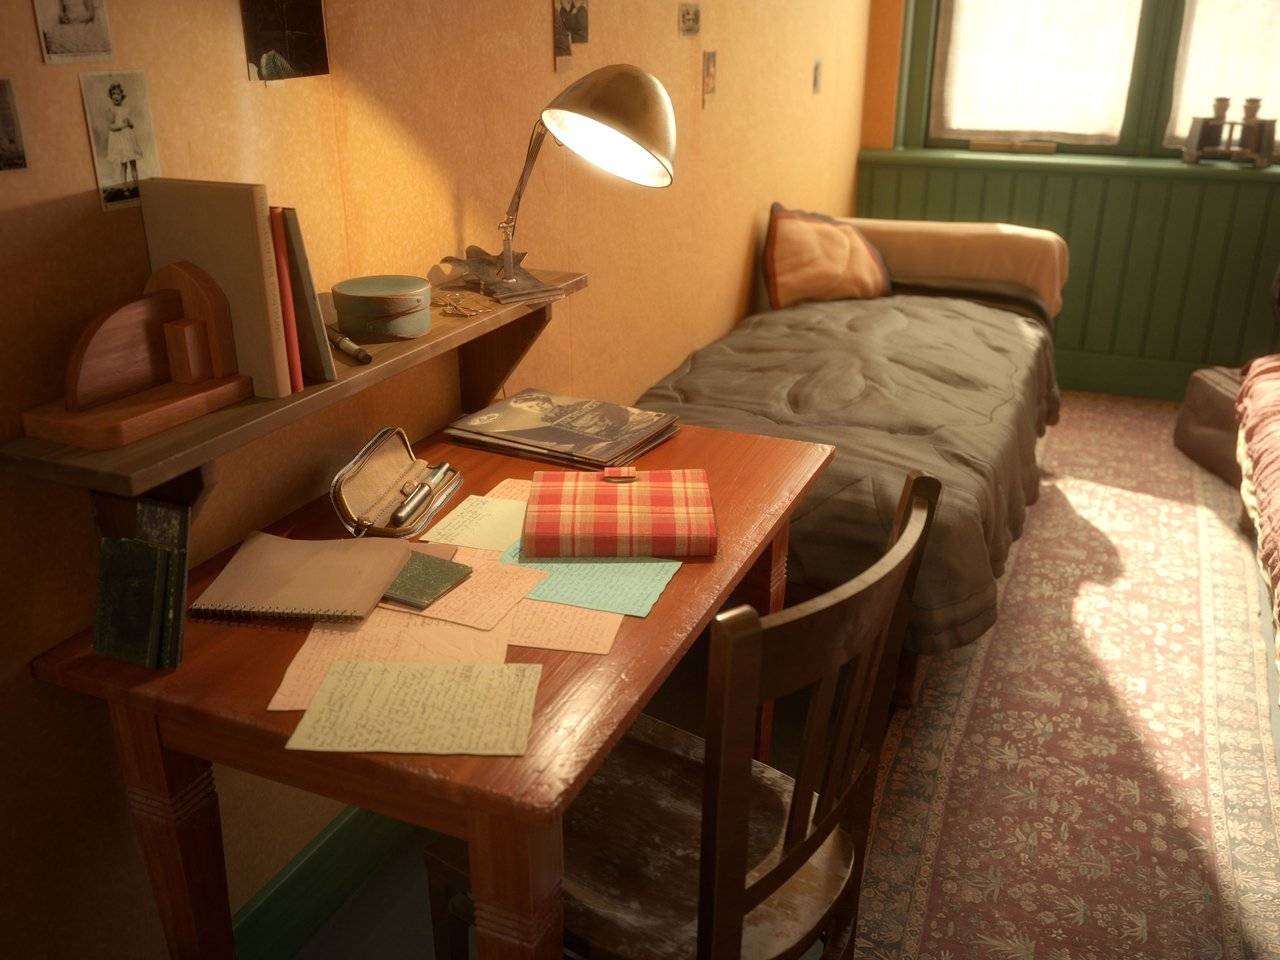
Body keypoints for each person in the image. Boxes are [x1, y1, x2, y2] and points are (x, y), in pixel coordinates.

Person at [104, 81, 141, 192]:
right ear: (111, 96)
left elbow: (132, 125)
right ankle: (125, 188)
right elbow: (111, 126)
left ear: (122, 95)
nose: (116, 96)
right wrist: (123, 125)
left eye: (118, 94)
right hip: (120, 141)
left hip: (128, 139)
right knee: (123, 165)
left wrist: (130, 123)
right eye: (113, 94)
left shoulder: (125, 109)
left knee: (133, 163)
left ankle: (136, 186)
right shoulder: (111, 110)